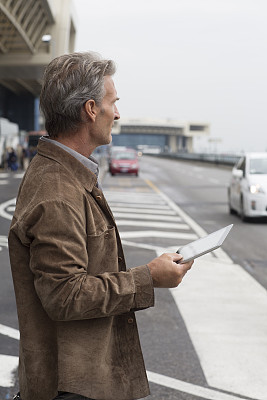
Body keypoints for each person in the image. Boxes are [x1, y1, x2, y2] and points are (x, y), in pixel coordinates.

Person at [8, 52, 193, 400]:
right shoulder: (57, 191)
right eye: (113, 102)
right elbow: (65, 295)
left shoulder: (67, 175)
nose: (118, 113)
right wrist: (149, 277)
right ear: (91, 109)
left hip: (80, 382)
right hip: (70, 387)